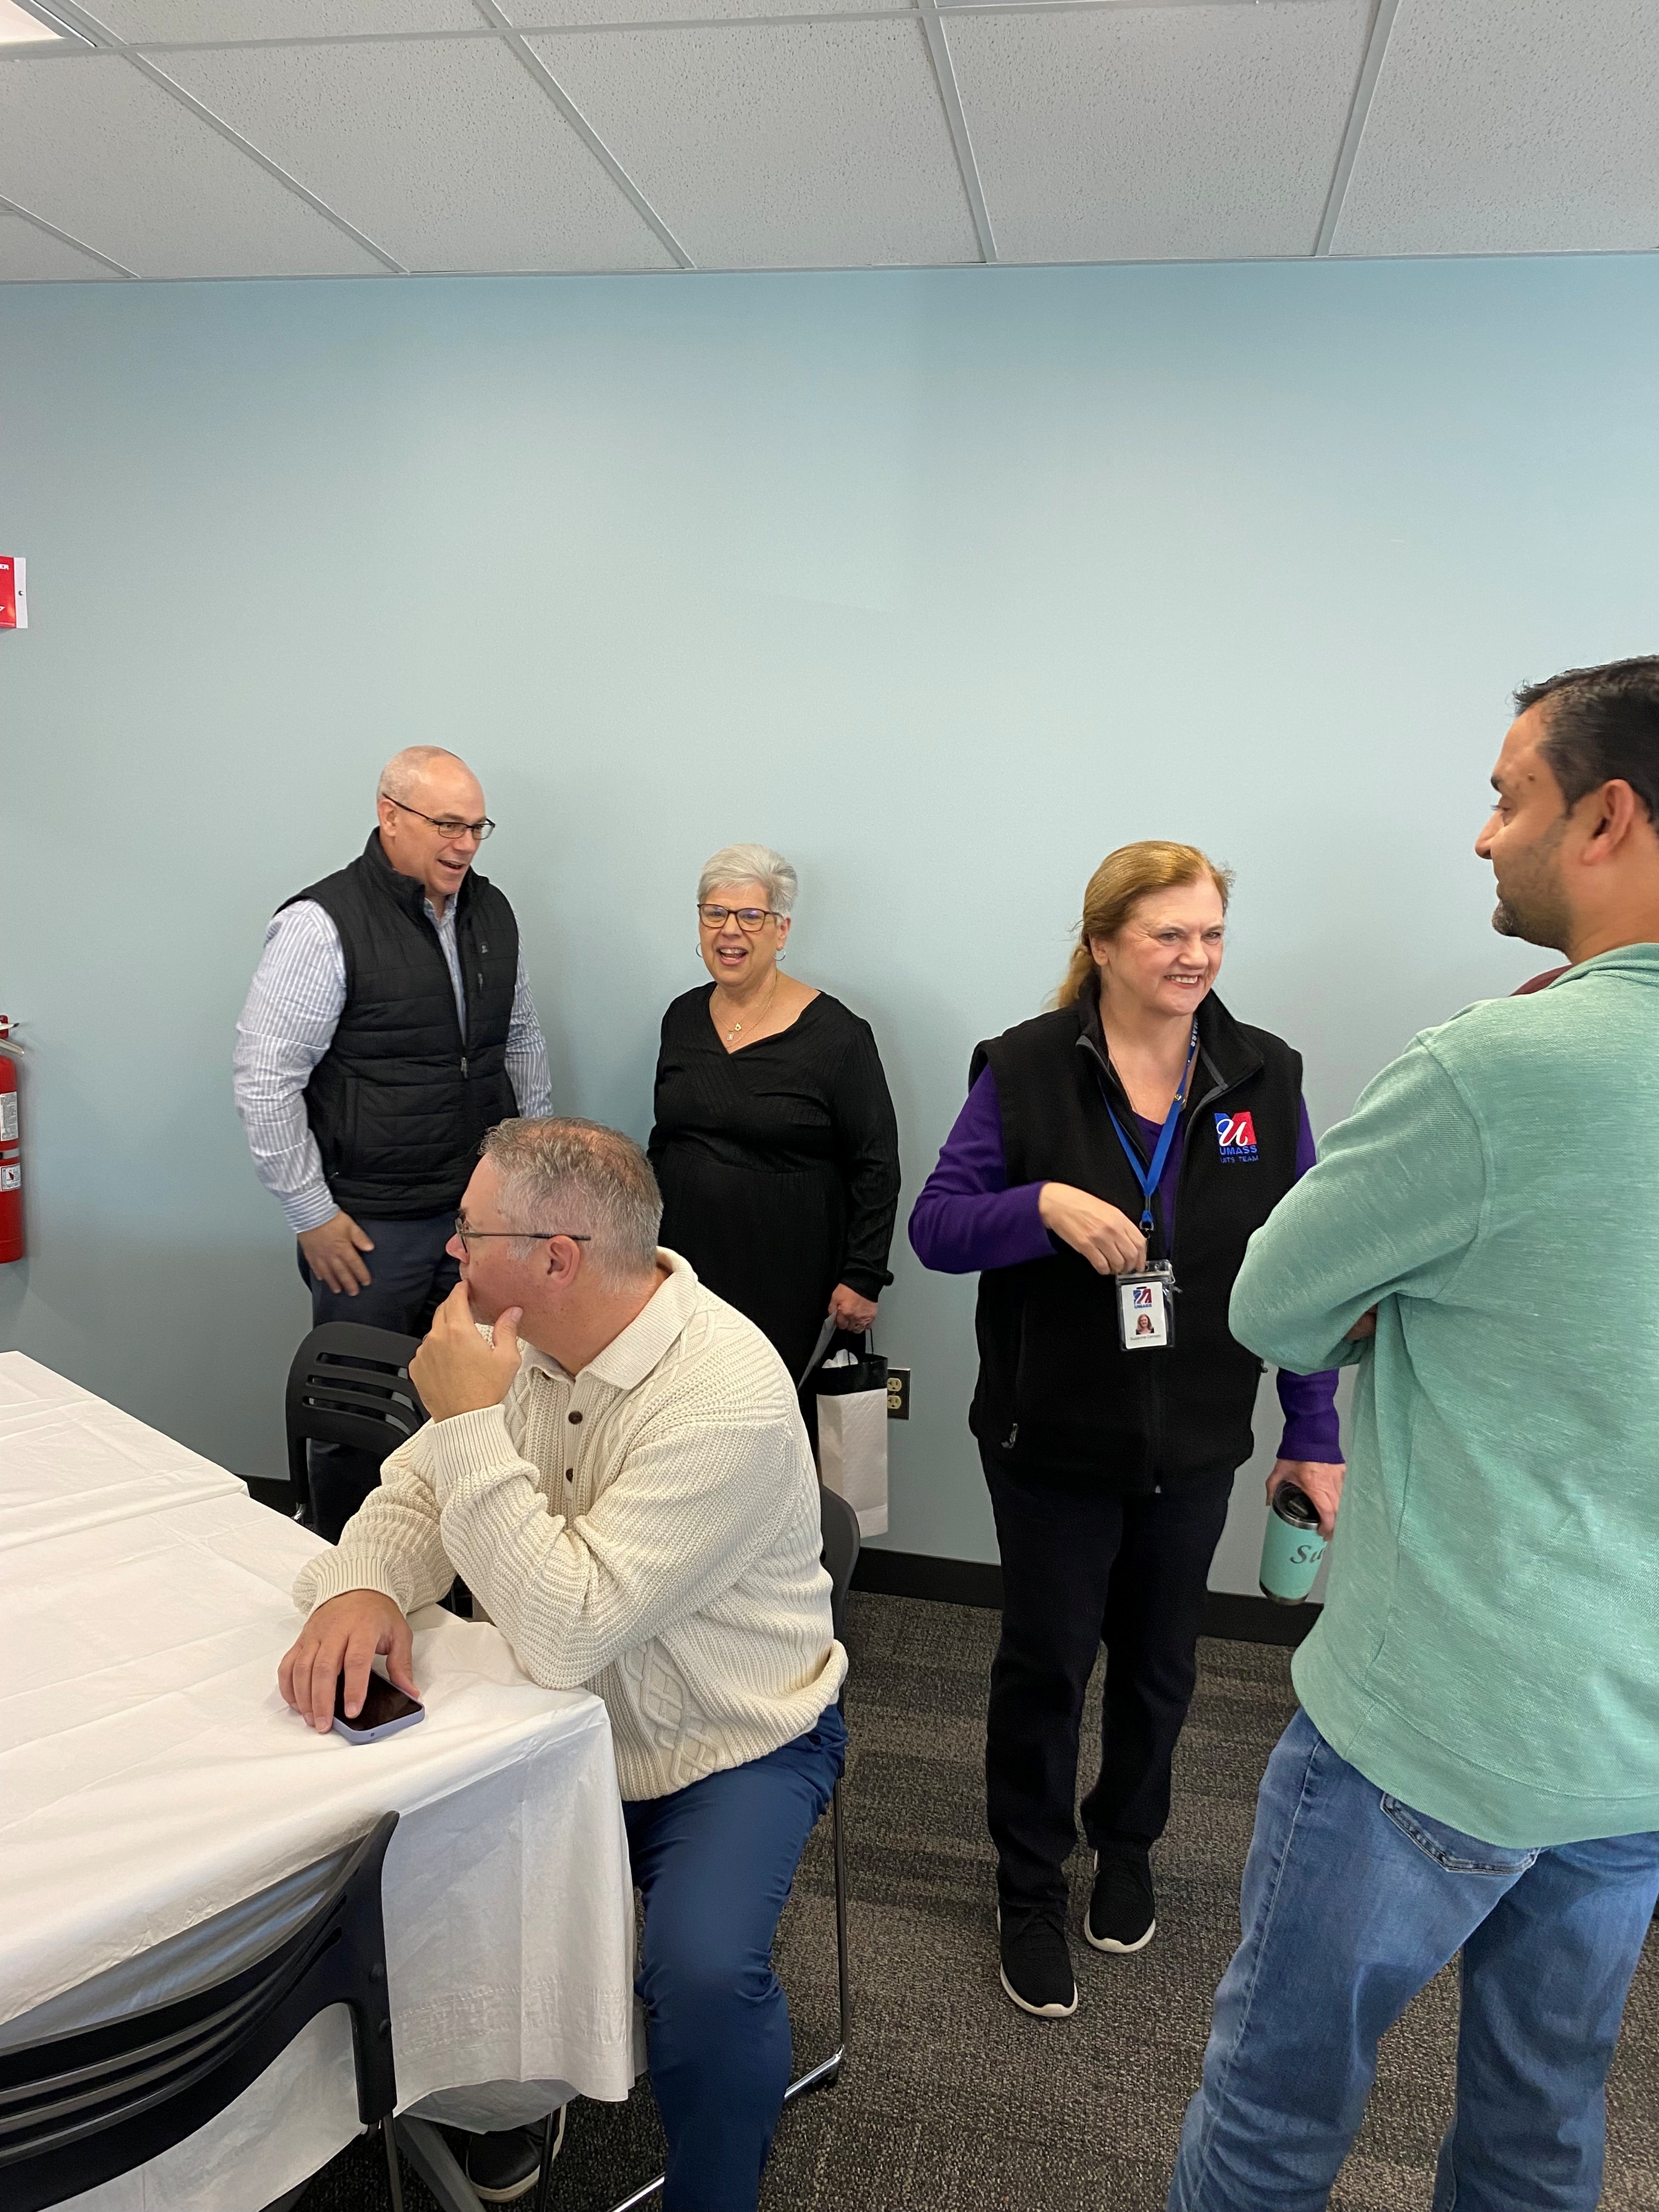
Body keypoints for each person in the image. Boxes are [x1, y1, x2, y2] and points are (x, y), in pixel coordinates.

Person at [1169, 657, 1659, 2212]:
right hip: (1631, 1741)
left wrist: (1412, 1297)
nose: (1481, 837)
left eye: (1507, 796)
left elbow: (1275, 1303)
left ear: (1609, 817)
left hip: (1431, 1728)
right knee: (1541, 2132)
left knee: (1275, 2116)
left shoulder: (1495, 1065)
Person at [278, 1116, 846, 2210]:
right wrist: (363, 1581)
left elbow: (569, 1626)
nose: (450, 1249)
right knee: (395, 1884)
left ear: (558, 1256)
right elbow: (421, 1495)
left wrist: (470, 1425)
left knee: (701, 1975)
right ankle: (505, 2097)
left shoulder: (722, 1394)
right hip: (559, 1725)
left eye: (469, 1229)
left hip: (729, 1743)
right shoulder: (528, 1341)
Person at [909, 842, 1342, 2021]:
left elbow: (1300, 1267)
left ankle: (1131, 1846)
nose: (1195, 957)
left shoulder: (1263, 1080)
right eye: (1168, 936)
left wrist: (1315, 1428)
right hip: (1049, 1437)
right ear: (1102, 944)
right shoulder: (1027, 1068)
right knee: (1048, 1664)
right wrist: (1038, 1206)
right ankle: (1030, 1885)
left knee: (1161, 1664)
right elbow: (937, 1230)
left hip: (1198, 1435)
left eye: (1211, 935)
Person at [235, 747, 551, 1539]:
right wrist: (312, 1215)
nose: (465, 845)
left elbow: (520, 1038)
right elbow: (265, 1078)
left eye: (477, 827)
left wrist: (534, 1176)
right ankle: (350, 1576)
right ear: (391, 816)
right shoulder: (321, 925)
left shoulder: (491, 912)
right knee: (359, 1420)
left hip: (479, 1222)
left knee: (472, 1413)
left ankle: (452, 1577)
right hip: (371, 1230)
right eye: (448, 825)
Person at [648, 843, 901, 1386]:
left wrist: (864, 1276)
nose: (729, 930)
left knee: (763, 1423)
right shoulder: (682, 1019)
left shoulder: (838, 1036)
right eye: (714, 913)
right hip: (683, 1271)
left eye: (750, 916)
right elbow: (663, 1140)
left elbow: (876, 1164)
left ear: (781, 930)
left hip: (789, 1278)